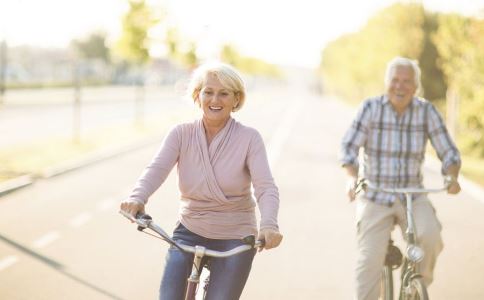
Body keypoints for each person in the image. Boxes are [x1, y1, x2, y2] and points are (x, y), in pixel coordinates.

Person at [120, 62, 283, 300]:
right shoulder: (180, 134)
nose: (215, 99)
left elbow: (265, 187)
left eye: (224, 93)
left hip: (236, 236)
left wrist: (269, 224)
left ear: (236, 99)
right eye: (208, 92)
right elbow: (156, 169)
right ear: (198, 95)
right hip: (189, 230)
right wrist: (137, 197)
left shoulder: (250, 138)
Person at [340, 56, 461, 300]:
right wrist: (351, 178)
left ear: (415, 87)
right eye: (395, 80)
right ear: (387, 83)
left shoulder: (426, 111)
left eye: (407, 82)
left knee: (430, 237)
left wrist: (452, 177)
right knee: (368, 266)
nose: (400, 86)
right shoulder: (370, 108)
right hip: (375, 196)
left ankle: (415, 286)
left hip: (412, 195)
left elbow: (449, 152)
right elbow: (348, 149)